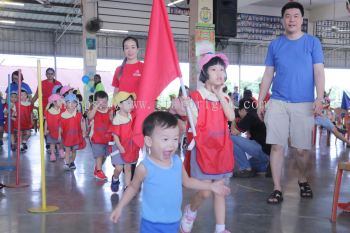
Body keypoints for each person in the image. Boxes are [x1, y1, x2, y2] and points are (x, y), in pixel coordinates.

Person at [110, 111, 230, 232]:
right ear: (149, 141)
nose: (171, 144)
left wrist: (211, 186)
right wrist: (119, 207)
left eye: (175, 139)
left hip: (173, 222)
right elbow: (132, 187)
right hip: (151, 224)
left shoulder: (177, 162)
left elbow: (187, 182)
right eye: (165, 139)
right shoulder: (144, 167)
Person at [257, 2, 325, 204]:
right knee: (277, 146)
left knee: (301, 150)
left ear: (302, 19)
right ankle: (277, 188)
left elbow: (319, 72)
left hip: (304, 104)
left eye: (296, 16)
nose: (292, 19)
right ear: (283, 20)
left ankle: (303, 179)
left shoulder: (312, 43)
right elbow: (268, 73)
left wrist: (319, 98)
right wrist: (261, 100)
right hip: (277, 101)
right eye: (288, 16)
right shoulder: (275, 44)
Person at [181, 53, 235, 233]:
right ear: (204, 72)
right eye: (214, 69)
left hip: (221, 150)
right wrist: (186, 108)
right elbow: (194, 123)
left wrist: (220, 95)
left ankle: (220, 228)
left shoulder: (225, 98)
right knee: (205, 192)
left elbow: (231, 117)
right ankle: (190, 211)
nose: (219, 73)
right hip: (203, 150)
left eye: (222, 69)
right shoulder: (195, 97)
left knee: (219, 189)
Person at [230, 98, 270, 178]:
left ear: (243, 110)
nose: (239, 115)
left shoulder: (250, 116)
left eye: (239, 112)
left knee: (231, 138)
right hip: (269, 153)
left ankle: (246, 169)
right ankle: (266, 167)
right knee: (250, 163)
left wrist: (232, 118)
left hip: (262, 150)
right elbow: (249, 136)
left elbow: (234, 132)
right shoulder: (258, 114)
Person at [109, 91, 139, 192]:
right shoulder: (117, 119)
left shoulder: (130, 116)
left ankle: (128, 187)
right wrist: (120, 146)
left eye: (132, 102)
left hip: (129, 146)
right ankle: (115, 178)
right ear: (120, 105)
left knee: (128, 167)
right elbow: (115, 135)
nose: (131, 105)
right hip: (119, 147)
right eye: (128, 103)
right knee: (119, 168)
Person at [87, 91, 113, 180]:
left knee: (104, 156)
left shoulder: (110, 110)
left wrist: (111, 118)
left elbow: (113, 122)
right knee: (99, 155)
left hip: (107, 138)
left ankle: (98, 168)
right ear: (95, 102)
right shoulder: (93, 110)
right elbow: (89, 117)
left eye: (104, 102)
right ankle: (99, 171)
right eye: (99, 102)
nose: (102, 105)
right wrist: (95, 108)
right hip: (96, 138)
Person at [59, 93, 86, 171]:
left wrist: (84, 131)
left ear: (76, 104)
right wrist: (59, 134)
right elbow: (60, 126)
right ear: (66, 104)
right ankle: (67, 163)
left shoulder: (79, 115)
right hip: (67, 137)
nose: (71, 104)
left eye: (74, 102)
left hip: (76, 137)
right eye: (69, 102)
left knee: (74, 151)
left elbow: (82, 123)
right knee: (67, 150)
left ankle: (72, 162)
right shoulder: (63, 115)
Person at [45, 94, 65, 162]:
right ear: (54, 102)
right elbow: (46, 121)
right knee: (52, 143)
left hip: (60, 131)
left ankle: (61, 151)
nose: (61, 102)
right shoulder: (49, 111)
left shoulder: (61, 110)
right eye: (59, 101)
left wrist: (62, 101)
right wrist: (45, 130)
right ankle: (52, 154)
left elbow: (65, 106)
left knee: (60, 142)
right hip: (51, 131)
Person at [13, 88, 34, 152]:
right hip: (18, 121)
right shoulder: (16, 104)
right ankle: (20, 146)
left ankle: (23, 142)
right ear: (19, 96)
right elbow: (14, 112)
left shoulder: (29, 104)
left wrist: (32, 120)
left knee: (28, 133)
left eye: (24, 95)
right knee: (19, 134)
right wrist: (14, 115)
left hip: (27, 121)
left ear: (27, 95)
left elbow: (31, 113)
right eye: (21, 95)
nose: (23, 96)